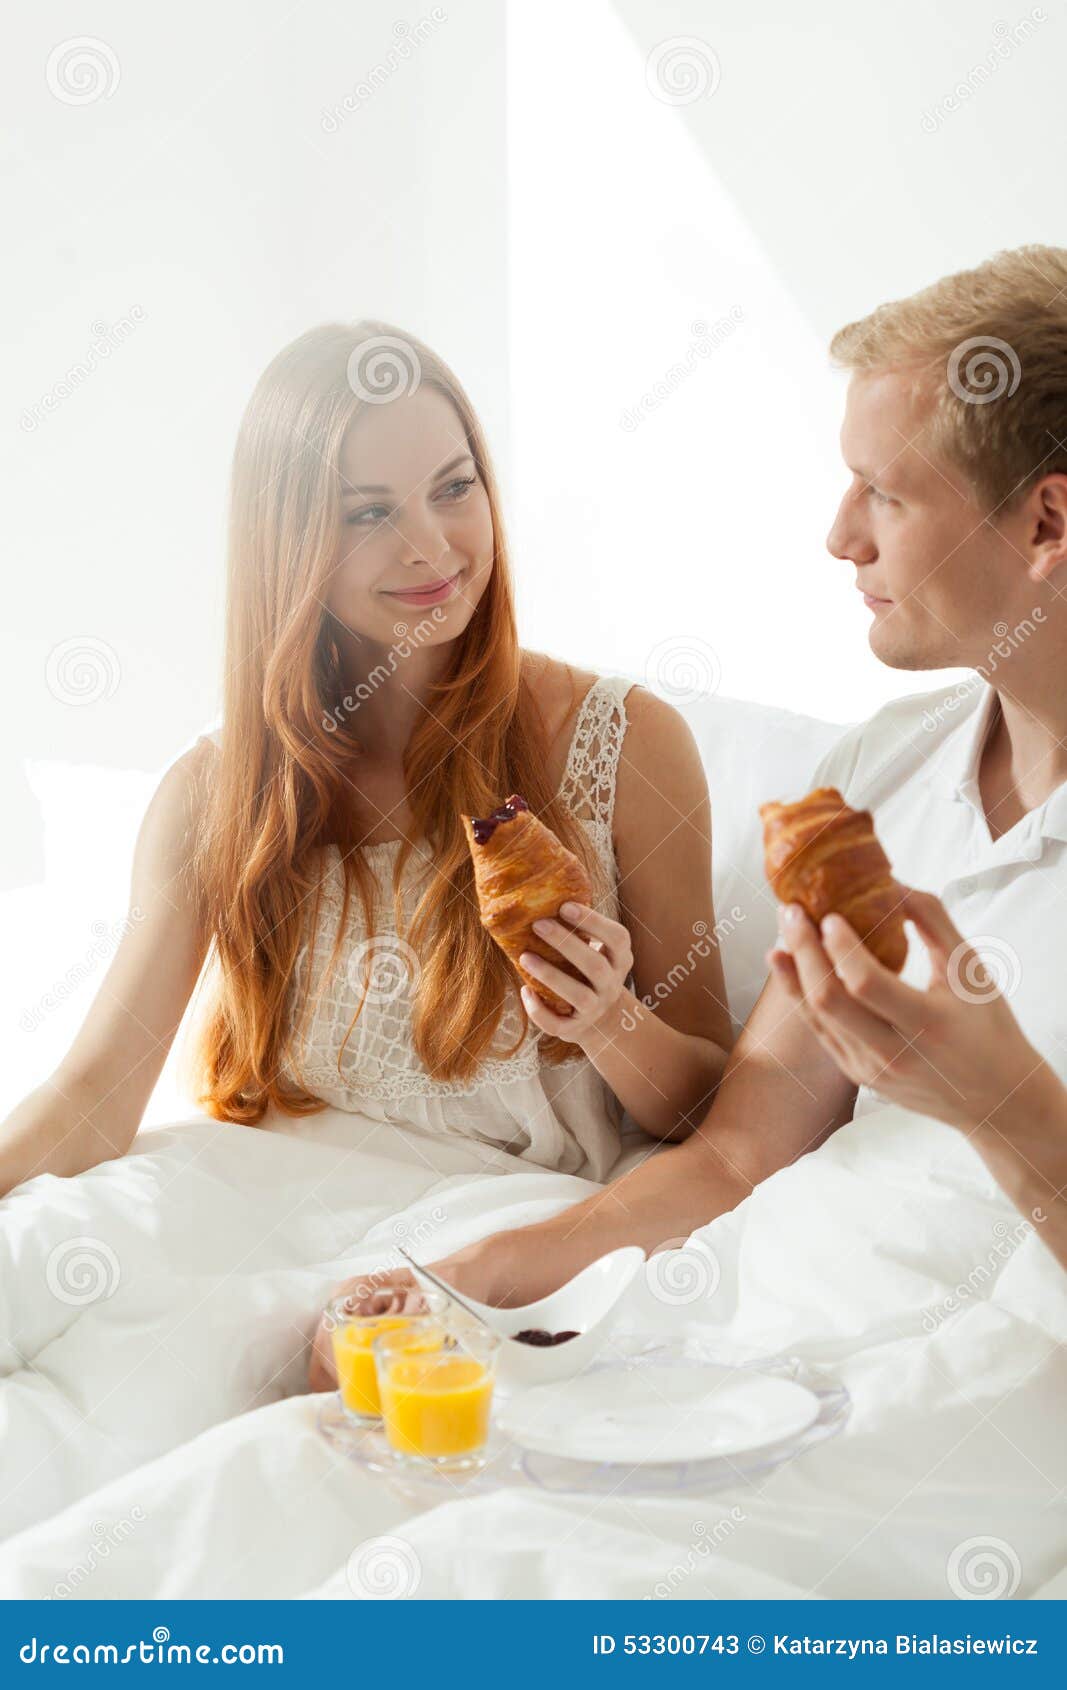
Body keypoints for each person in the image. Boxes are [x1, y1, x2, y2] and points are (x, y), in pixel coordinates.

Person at [313, 246, 1067, 1385]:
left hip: (972, 1387)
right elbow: (735, 1154)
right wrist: (473, 1275)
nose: (840, 535)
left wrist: (1003, 1107)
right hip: (736, 1329)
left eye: (886, 492)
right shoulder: (878, 776)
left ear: (1046, 522)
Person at [0, 322, 733, 1200]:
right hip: (262, 1212)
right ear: (285, 538)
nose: (430, 546)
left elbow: (706, 1107)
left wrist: (606, 1020)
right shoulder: (212, 793)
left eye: (453, 488)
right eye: (369, 512)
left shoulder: (627, 743)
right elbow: (93, 1097)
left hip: (514, 1229)